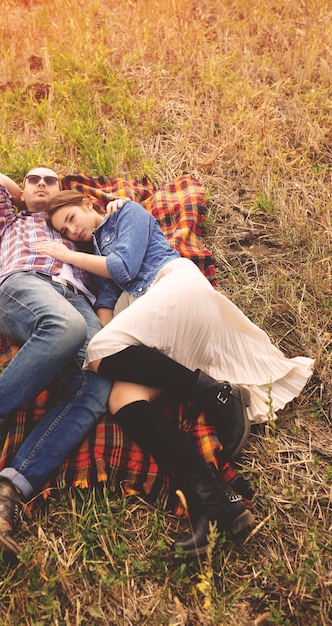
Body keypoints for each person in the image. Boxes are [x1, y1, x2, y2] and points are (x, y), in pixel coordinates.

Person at [34, 190, 315, 556]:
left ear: (89, 204)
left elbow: (123, 269)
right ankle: (213, 500)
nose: (73, 232)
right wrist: (106, 338)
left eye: (72, 218)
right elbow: (106, 301)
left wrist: (68, 256)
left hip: (176, 289)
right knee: (122, 400)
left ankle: (218, 395)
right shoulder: (92, 255)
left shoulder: (126, 215)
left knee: (100, 351)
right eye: (65, 232)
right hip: (159, 328)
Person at [0, 168, 119, 559]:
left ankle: (7, 492)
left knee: (97, 386)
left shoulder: (77, 229)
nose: (42, 184)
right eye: (33, 179)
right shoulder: (12, 221)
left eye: (50, 180)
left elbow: (114, 244)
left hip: (77, 299)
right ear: (22, 190)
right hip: (24, 285)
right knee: (65, 326)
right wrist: (22, 196)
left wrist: (115, 207)